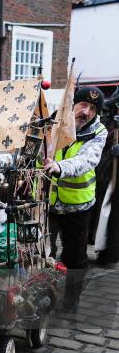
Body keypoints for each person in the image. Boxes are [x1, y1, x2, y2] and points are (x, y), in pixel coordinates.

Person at [43, 86, 108, 312]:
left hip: (78, 205)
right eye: (83, 105)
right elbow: (27, 150)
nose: (86, 112)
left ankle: (71, 301)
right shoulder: (50, 123)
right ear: (72, 105)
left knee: (75, 257)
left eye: (92, 108)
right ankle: (43, 297)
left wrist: (59, 167)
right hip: (47, 203)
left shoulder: (99, 131)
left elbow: (87, 160)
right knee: (43, 253)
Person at [89, 89, 119, 265]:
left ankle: (110, 254)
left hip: (114, 176)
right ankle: (104, 251)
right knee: (103, 213)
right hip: (105, 172)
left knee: (111, 214)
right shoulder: (105, 126)